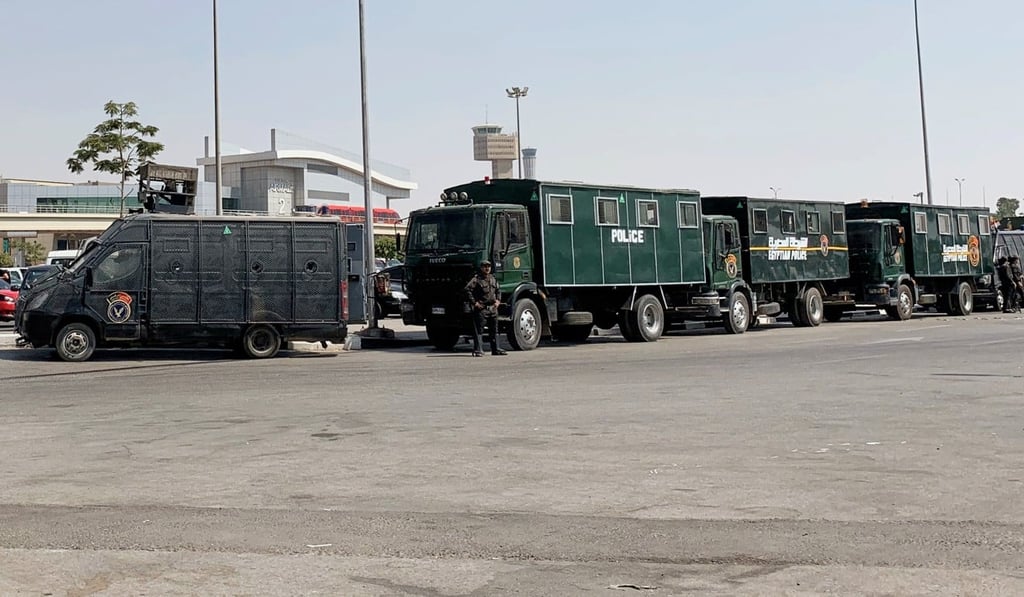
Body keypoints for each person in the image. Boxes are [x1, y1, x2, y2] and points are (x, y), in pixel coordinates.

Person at [464, 260, 507, 356]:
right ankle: (478, 350)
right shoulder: (476, 279)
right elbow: (467, 289)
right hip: (482, 309)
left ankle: (496, 349)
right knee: (479, 330)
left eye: (489, 266)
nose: (487, 268)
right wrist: (474, 303)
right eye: (485, 266)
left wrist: (498, 301)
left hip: (493, 308)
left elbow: (498, 290)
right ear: (481, 268)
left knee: (494, 329)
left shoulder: (493, 279)